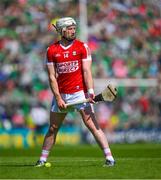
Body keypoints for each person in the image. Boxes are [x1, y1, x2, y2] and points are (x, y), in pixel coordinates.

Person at [35, 17, 115, 167]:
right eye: (70, 28)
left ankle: (109, 158)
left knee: (91, 124)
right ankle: (42, 159)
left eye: (74, 28)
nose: (73, 31)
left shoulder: (82, 47)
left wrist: (90, 92)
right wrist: (58, 98)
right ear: (61, 31)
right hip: (62, 95)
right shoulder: (51, 50)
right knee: (53, 128)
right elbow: (52, 77)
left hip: (81, 93)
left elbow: (86, 71)